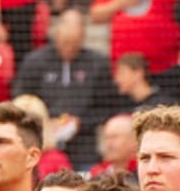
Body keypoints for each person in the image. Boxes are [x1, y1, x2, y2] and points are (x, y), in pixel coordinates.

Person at [13, 10, 118, 173]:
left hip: (84, 148)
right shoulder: (35, 62)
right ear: (56, 35)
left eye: (74, 43)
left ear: (83, 38)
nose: (69, 48)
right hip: (42, 145)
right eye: (65, 42)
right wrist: (45, 122)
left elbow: (108, 106)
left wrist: (81, 122)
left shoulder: (98, 64)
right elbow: (22, 100)